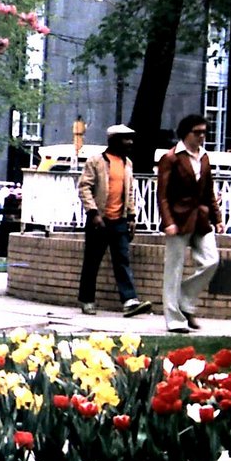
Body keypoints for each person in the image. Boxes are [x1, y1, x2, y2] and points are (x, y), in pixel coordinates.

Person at [75, 124, 151, 318]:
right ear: (114, 141)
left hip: (119, 221)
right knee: (92, 261)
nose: (130, 143)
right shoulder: (96, 161)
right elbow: (84, 187)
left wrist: (132, 217)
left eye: (131, 139)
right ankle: (87, 300)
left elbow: (130, 192)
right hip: (98, 220)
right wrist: (93, 213)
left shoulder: (128, 164)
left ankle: (129, 301)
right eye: (126, 139)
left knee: (122, 260)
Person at [157, 113, 224, 333]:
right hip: (177, 219)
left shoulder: (204, 157)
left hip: (201, 219)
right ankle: (174, 319)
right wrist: (168, 221)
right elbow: (163, 194)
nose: (202, 136)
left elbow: (208, 191)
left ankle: (184, 300)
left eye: (205, 132)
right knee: (173, 271)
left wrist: (217, 218)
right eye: (198, 132)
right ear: (186, 133)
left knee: (211, 261)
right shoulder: (171, 158)